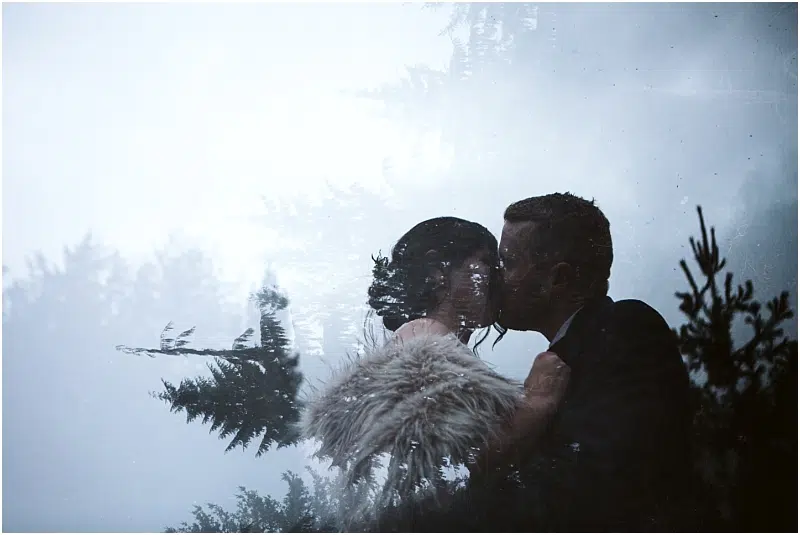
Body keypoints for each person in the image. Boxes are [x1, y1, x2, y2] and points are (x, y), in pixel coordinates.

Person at [297, 216, 570, 528]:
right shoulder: (425, 336)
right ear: (437, 272)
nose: (499, 278)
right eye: (485, 263)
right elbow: (450, 470)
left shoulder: (421, 343)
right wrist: (538, 403)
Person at [491, 192, 694, 531]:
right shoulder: (561, 360)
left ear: (559, 279)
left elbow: (602, 482)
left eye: (507, 263)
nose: (496, 278)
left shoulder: (627, 328)